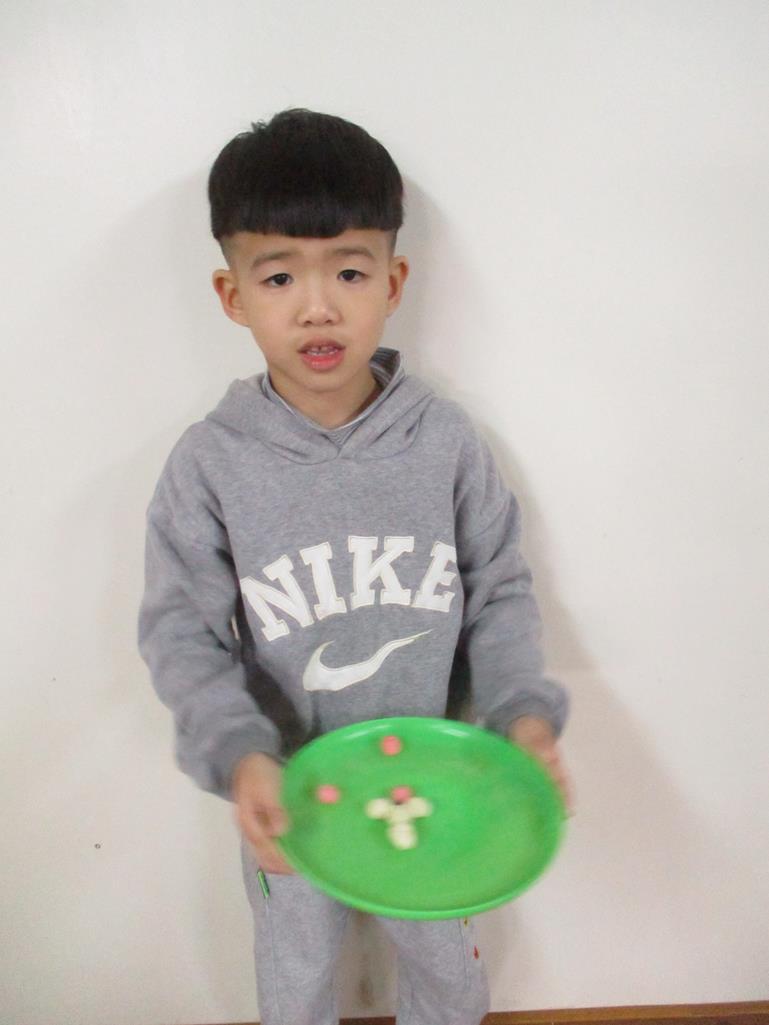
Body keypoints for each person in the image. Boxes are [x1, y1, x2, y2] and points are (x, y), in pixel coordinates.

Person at [138, 108, 571, 1025]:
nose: (318, 306)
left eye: (348, 270)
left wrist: (522, 714)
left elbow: (499, 593)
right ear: (231, 295)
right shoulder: (210, 463)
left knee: (449, 977)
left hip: (439, 784)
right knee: (294, 977)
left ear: (392, 280)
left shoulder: (444, 442)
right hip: (289, 794)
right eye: (279, 276)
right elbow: (181, 630)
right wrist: (240, 753)